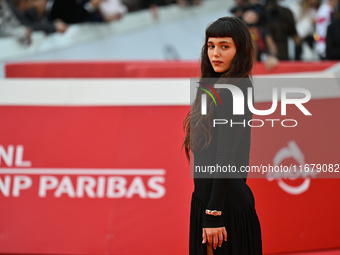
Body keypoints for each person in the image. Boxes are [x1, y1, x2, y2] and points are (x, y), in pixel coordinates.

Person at [182, 16, 262, 255]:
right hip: (209, 202)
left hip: (220, 209)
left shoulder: (235, 89)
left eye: (224, 46)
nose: (215, 53)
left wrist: (215, 213)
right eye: (211, 46)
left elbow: (227, 155)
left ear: (240, 50)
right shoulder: (214, 85)